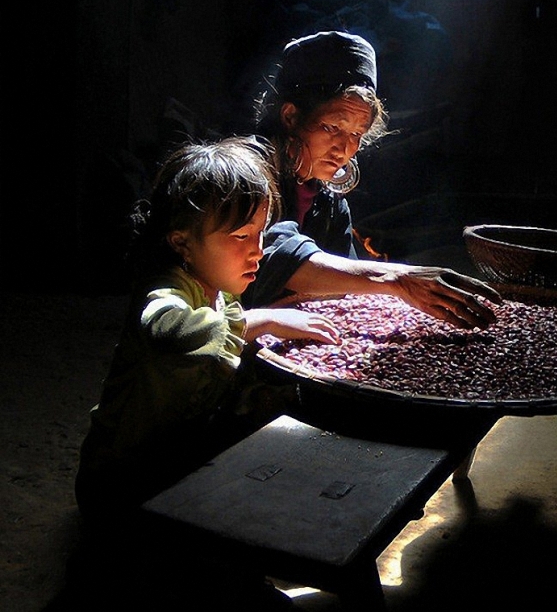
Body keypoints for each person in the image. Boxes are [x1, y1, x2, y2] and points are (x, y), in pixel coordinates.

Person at [75, 135, 340, 525]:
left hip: (177, 447)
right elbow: (169, 328)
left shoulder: (223, 293)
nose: (258, 250)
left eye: (260, 232)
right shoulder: (166, 290)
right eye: (240, 236)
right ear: (181, 242)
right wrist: (261, 320)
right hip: (120, 482)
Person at [241, 30, 501, 329]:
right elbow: (275, 252)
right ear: (290, 116)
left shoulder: (327, 200)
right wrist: (396, 278)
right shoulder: (243, 173)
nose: (344, 148)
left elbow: (345, 276)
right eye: (332, 127)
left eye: (356, 133)